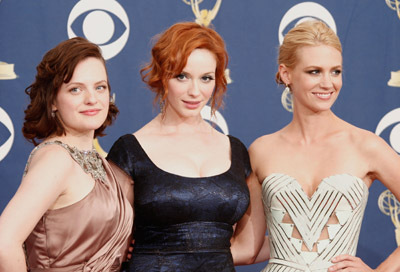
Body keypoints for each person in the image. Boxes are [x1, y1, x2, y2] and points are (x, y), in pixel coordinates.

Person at [106, 22, 266, 272]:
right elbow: (107, 243)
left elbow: (248, 247)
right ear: (162, 76)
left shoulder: (235, 150)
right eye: (182, 76)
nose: (195, 91)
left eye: (206, 78)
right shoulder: (130, 151)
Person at [248, 20, 400, 271]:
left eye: (336, 71)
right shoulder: (261, 150)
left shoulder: (366, 146)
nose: (328, 83)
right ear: (286, 74)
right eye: (314, 71)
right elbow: (249, 247)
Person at [0, 37, 133, 271]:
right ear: (52, 100)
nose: (92, 99)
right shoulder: (57, 159)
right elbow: (4, 242)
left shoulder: (97, 160)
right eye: (75, 89)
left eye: (99, 87)